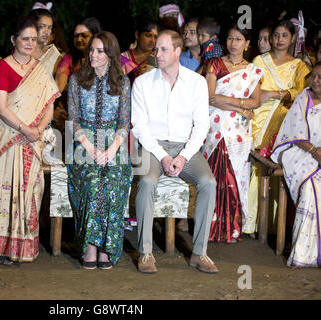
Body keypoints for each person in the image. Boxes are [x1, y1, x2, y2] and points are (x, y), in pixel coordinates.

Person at [131, 30, 218, 274]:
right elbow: (139, 127)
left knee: (208, 182)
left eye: (163, 49)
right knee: (147, 181)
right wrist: (164, 157)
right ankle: (145, 252)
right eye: (156, 49)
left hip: (185, 147)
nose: (157, 54)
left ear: (178, 51)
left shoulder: (197, 82)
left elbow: (202, 126)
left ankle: (200, 253)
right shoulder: (143, 83)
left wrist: (182, 156)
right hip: (152, 146)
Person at [0, 16, 60, 265]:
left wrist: (39, 130)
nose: (30, 43)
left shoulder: (40, 69)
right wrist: (25, 128)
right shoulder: (2, 67)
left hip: (32, 139)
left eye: (33, 39)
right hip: (7, 137)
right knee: (2, 189)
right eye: (25, 38)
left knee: (30, 191)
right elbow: (0, 108)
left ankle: (21, 246)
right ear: (14, 40)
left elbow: (49, 105)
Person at [67, 31, 132, 270]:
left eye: (99, 51)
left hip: (114, 145)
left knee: (112, 183)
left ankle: (107, 247)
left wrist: (112, 150)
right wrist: (90, 148)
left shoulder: (123, 83)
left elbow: (124, 123)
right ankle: (91, 247)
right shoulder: (76, 80)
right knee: (94, 183)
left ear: (111, 55)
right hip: (83, 144)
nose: (93, 54)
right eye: (91, 50)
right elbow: (72, 121)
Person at [245, 20, 311, 236]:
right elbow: (250, 90)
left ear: (292, 38)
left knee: (276, 166)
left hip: (284, 122)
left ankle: (274, 225)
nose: (280, 39)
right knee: (254, 166)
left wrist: (273, 94)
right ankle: (249, 223)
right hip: (257, 121)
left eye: (284, 35)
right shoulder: (258, 61)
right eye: (276, 35)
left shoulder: (300, 68)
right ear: (270, 38)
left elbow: (301, 95)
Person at [202, 25, 262, 243]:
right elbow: (210, 97)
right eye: (229, 38)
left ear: (247, 44)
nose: (233, 43)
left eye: (238, 39)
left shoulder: (253, 71)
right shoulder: (215, 64)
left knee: (235, 176)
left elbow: (255, 101)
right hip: (216, 128)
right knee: (215, 176)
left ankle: (231, 228)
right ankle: (209, 226)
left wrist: (231, 103)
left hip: (238, 130)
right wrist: (240, 107)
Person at [270, 62, 321, 268]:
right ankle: (305, 253)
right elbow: (294, 132)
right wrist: (315, 151)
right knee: (311, 188)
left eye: (320, 77)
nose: (315, 81)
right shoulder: (304, 98)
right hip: (302, 153)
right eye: (314, 76)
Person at [53, 17, 102, 133]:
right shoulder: (68, 59)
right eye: (76, 36)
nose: (79, 39)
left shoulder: (106, 57)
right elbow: (57, 88)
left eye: (84, 36)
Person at [28, 6, 63, 76]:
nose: (46, 32)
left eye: (49, 27)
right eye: (42, 26)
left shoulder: (55, 56)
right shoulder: (20, 52)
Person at [121, 18, 158, 84]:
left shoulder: (158, 58)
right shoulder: (124, 58)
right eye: (148, 35)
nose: (152, 41)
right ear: (137, 34)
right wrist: (136, 76)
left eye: (155, 37)